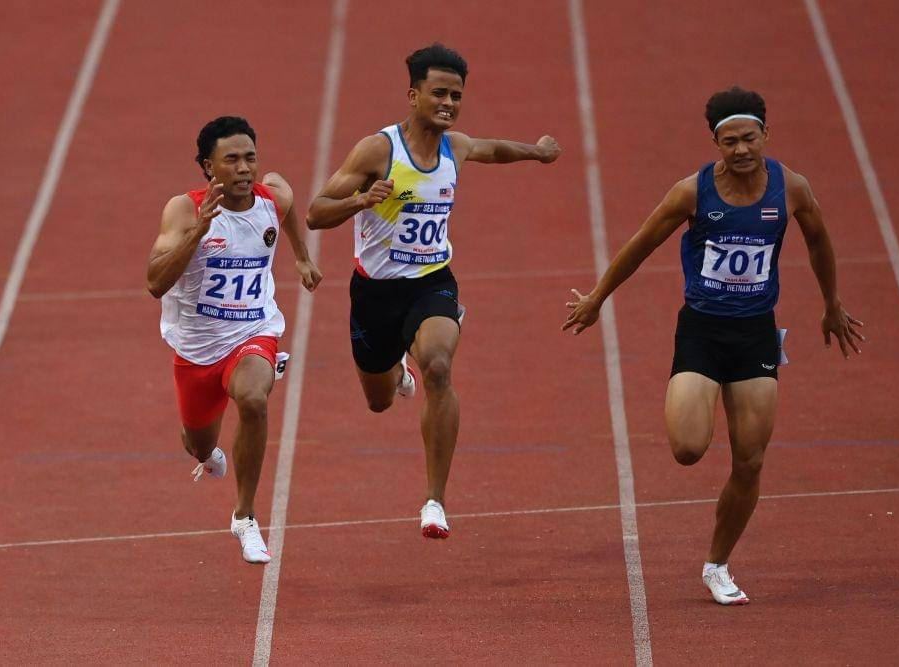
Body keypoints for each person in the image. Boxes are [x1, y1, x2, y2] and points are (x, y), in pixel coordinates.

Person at [563, 86, 864, 604]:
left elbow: (819, 240)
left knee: (750, 461)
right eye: (729, 142)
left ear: (766, 134)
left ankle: (717, 564)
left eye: (749, 138)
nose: (741, 150)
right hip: (701, 331)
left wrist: (831, 304)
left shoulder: (791, 189)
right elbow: (640, 244)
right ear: (716, 143)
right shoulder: (691, 192)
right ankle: (694, 415)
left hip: (756, 335)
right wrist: (597, 298)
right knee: (687, 449)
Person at [306, 44, 561, 539]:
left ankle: (434, 502)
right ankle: (396, 368)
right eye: (439, 93)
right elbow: (317, 210)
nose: (448, 103)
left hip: (433, 282)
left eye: (457, 96)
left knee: (439, 368)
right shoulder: (378, 150)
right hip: (376, 293)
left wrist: (536, 151)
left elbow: (494, 148)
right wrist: (362, 199)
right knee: (378, 402)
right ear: (413, 94)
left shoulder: (455, 146)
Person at [147, 116, 322, 564]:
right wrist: (197, 234)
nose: (244, 168)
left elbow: (287, 207)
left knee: (253, 397)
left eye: (250, 158)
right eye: (232, 160)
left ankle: (244, 517)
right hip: (195, 349)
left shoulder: (272, 199)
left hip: (253, 330)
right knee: (197, 443)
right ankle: (209, 456)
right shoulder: (184, 210)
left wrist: (302, 259)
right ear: (209, 166)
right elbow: (154, 282)